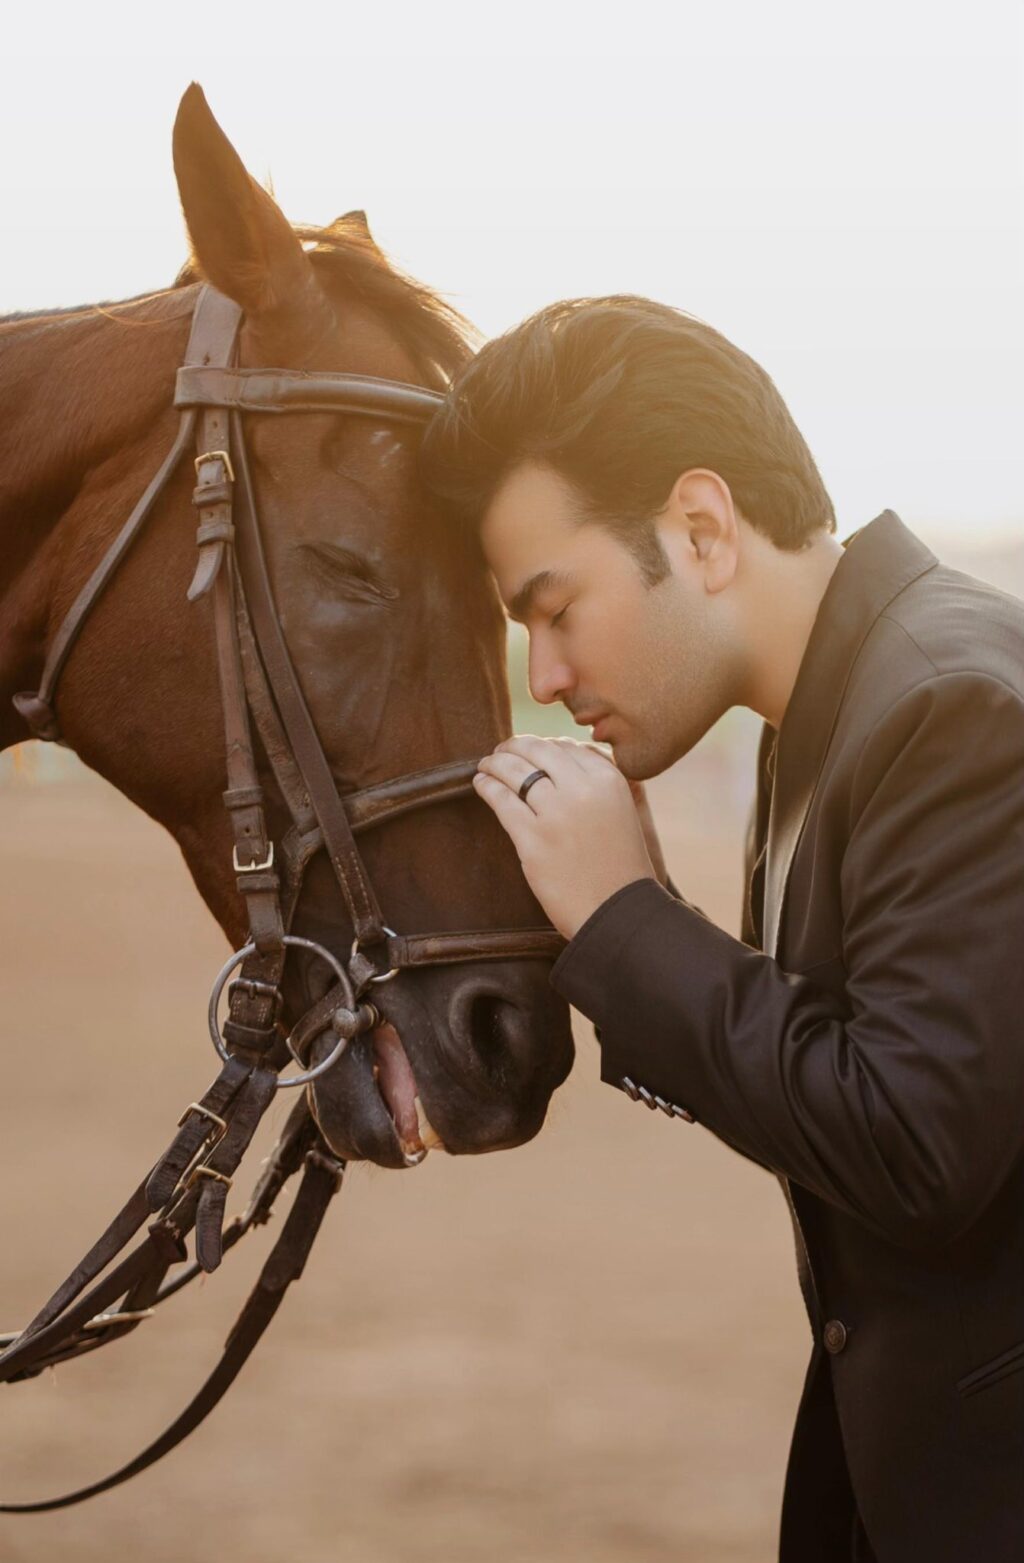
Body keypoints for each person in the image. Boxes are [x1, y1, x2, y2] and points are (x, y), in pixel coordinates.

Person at [420, 296, 1024, 1563]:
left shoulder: (950, 705)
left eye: (554, 608)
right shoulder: (830, 715)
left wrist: (628, 923)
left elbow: (914, 1144)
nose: (545, 676)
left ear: (699, 529)